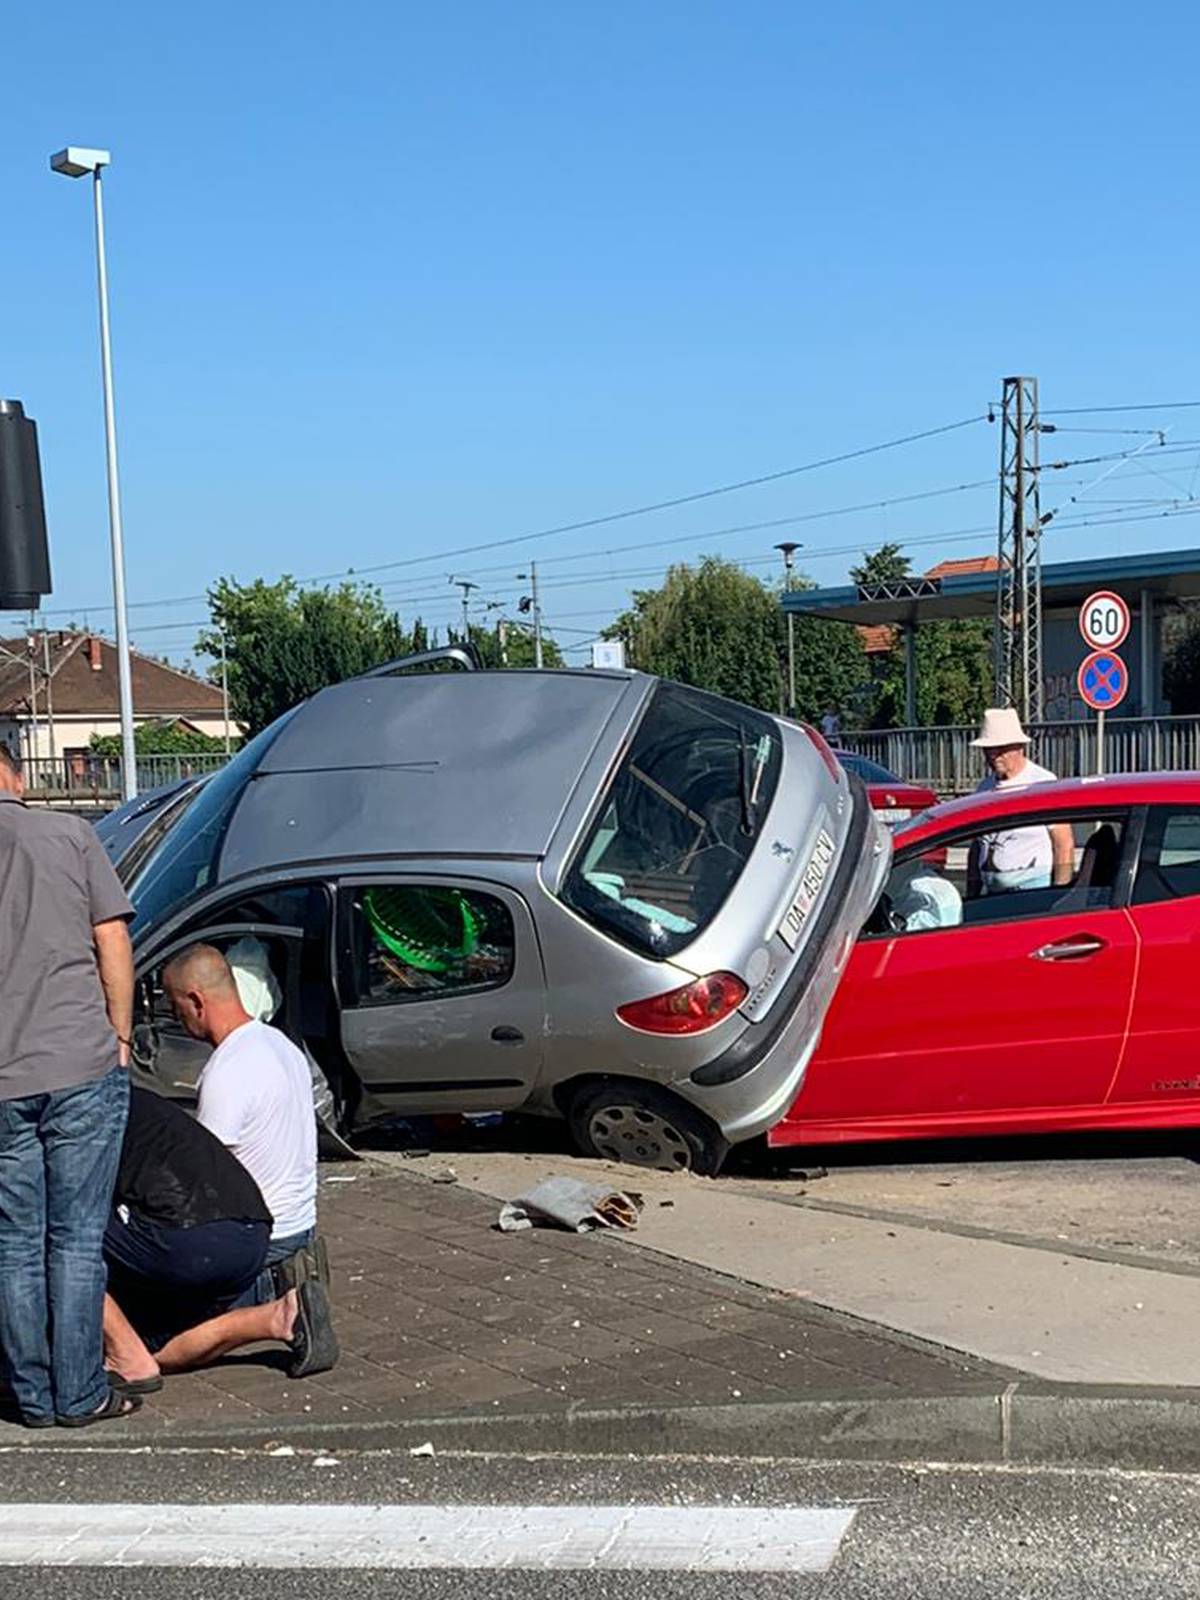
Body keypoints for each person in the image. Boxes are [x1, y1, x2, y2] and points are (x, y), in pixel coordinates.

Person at [0, 745, 139, 1428]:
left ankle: (30, 1395)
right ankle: (80, 1393)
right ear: (13, 773)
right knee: (77, 1238)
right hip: (79, 1061)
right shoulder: (69, 834)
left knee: (14, 1241)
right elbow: (112, 937)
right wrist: (120, 1036)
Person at [102, 1088, 337, 1386]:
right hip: (251, 1229)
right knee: (156, 1345)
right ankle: (281, 1316)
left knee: (64, 1242)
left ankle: (127, 1357)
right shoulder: (133, 1100)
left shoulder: (78, 1112)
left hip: (185, 1236)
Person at [161, 944, 323, 1300]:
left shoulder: (228, 1069)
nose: (176, 1018)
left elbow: (200, 1179)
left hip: (260, 1244)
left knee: (150, 1339)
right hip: (300, 1228)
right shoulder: (280, 1045)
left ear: (196, 1001)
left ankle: (275, 1313)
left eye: (176, 1007)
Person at [968, 707, 1075, 895]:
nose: (993, 755)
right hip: (992, 892)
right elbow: (977, 846)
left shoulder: (1042, 783)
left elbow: (1063, 844)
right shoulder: (984, 788)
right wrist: (972, 893)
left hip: (1030, 891)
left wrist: (1059, 897)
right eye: (988, 749)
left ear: (1019, 747)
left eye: (1000, 749)